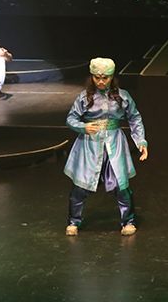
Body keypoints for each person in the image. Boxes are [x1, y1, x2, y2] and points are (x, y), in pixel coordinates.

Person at [63, 57, 148, 236]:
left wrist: (140, 141)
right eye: (97, 78)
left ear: (111, 77)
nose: (101, 82)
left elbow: (134, 117)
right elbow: (71, 118)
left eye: (105, 78)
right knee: (80, 186)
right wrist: (83, 127)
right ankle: (73, 221)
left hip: (114, 144)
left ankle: (128, 221)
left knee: (121, 185)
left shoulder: (122, 96)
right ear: (92, 77)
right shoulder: (84, 97)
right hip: (89, 146)